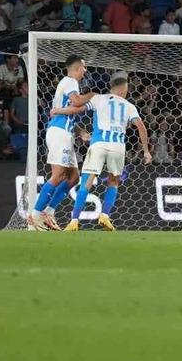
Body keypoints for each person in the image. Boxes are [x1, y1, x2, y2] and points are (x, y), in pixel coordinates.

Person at [57, 76, 152, 232]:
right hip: (118, 147)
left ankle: (74, 221)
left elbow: (78, 109)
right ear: (122, 89)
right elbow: (141, 127)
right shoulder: (129, 106)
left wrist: (59, 111)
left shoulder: (98, 98)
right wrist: (146, 151)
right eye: (127, 90)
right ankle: (105, 217)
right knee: (114, 181)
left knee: (87, 181)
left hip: (99, 145)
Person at [28, 55, 89, 231]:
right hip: (59, 133)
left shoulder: (68, 84)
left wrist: (80, 132)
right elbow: (77, 103)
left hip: (66, 133)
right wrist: (92, 100)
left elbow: (67, 113)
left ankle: (49, 212)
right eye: (83, 67)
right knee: (59, 174)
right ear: (77, 68)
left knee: (73, 177)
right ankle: (35, 216)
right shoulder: (70, 81)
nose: (85, 71)